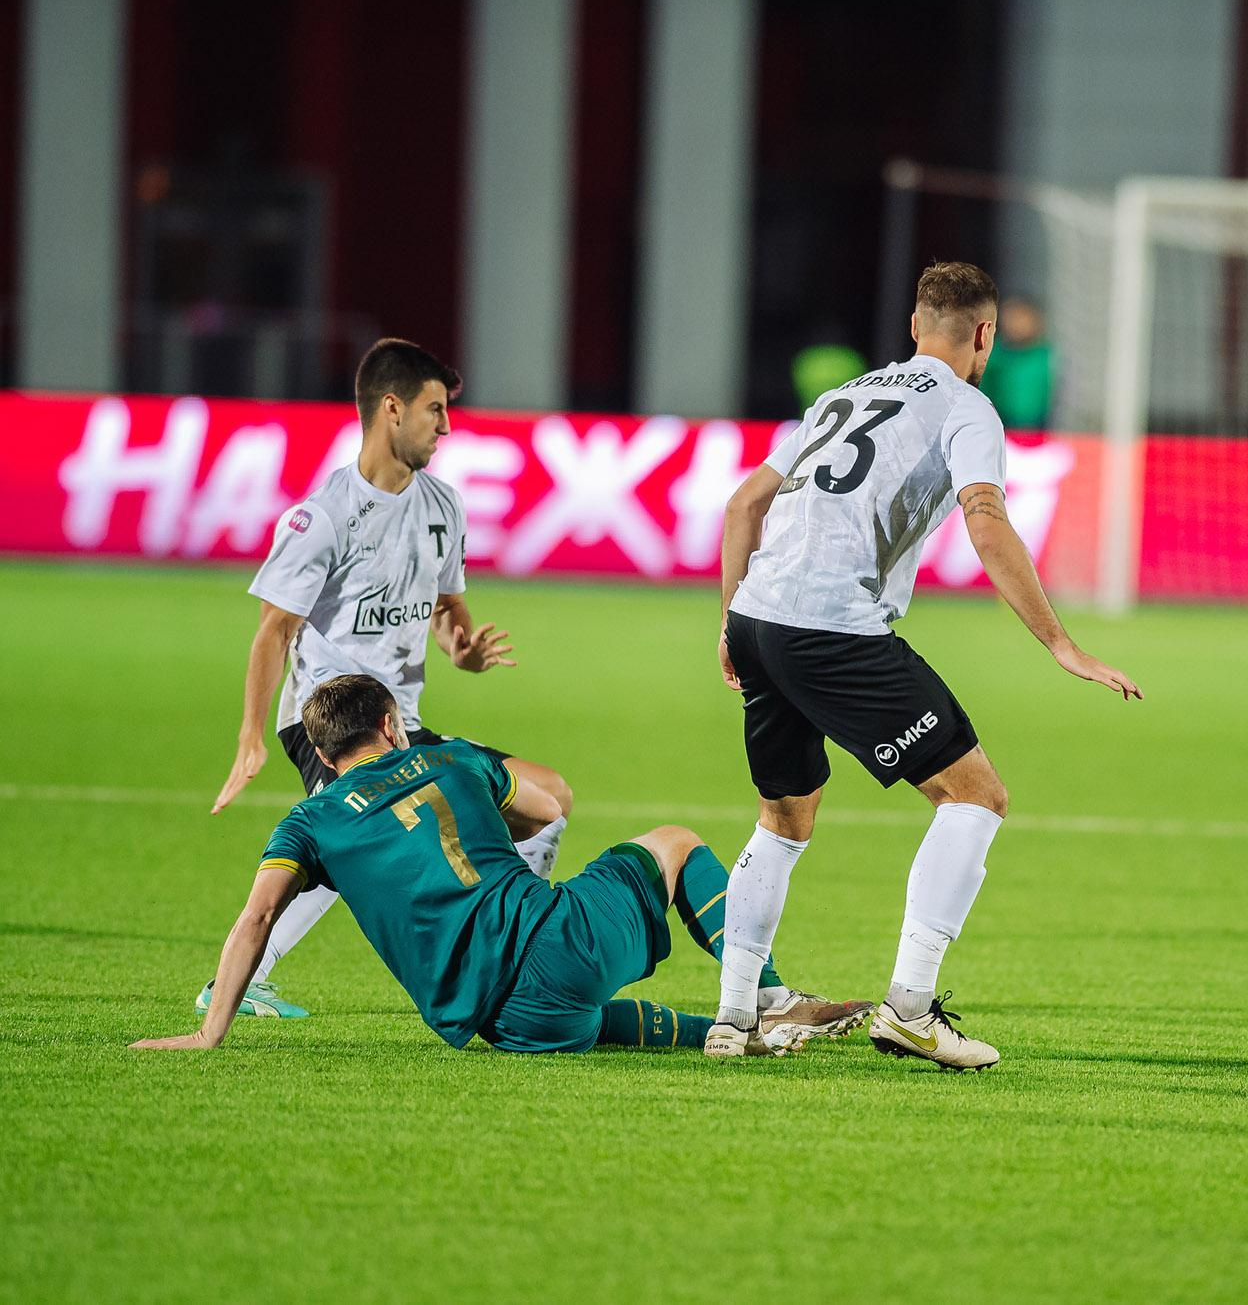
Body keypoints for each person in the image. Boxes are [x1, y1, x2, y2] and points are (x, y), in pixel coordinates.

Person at [205, 338, 863, 1041]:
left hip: (404, 720)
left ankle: (518, 932)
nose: (446, 426)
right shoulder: (325, 516)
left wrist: (462, 649)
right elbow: (274, 630)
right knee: (347, 836)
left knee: (550, 798)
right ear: (390, 408)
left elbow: (446, 611)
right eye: (434, 410)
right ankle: (243, 977)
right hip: (333, 721)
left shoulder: (442, 506)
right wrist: (251, 736)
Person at [710, 261, 1141, 1070]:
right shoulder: (968, 409)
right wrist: (1062, 644)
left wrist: (730, 622)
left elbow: (743, 505)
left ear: (914, 326)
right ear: (985, 335)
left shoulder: (842, 396)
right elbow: (987, 522)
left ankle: (734, 1018)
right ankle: (910, 1009)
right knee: (976, 794)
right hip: (833, 625)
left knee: (783, 817)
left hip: (760, 617)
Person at [136, 675, 806, 1056]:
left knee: (577, 1014)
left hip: (499, 1022)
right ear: (391, 725)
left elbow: (257, 917)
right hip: (556, 940)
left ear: (322, 752)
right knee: (675, 842)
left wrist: (208, 1034)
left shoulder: (308, 822)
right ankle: (762, 998)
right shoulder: (451, 757)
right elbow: (546, 810)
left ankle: (722, 1036)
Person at [980, 297, 1054, 431]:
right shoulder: (992, 354)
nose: (1015, 325)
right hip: (1000, 424)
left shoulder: (1046, 356)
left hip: (1040, 427)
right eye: (1010, 319)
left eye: (1021, 319)